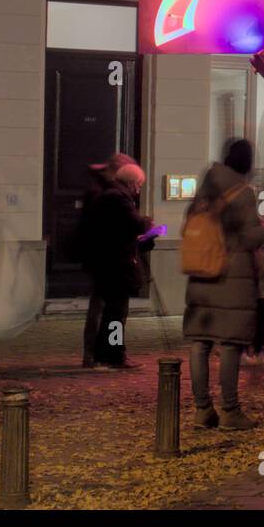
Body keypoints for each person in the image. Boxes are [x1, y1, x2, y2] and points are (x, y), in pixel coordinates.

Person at [185, 138, 264, 430]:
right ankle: (230, 411)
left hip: (202, 274)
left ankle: (202, 409)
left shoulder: (205, 189)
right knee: (230, 345)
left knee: (200, 344)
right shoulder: (242, 193)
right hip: (231, 278)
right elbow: (249, 237)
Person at [83, 160, 152, 369]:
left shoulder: (107, 196)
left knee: (112, 312)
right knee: (116, 314)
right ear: (131, 184)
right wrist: (148, 224)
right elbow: (133, 225)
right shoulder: (119, 200)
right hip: (116, 265)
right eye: (139, 185)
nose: (139, 190)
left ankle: (106, 353)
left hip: (107, 263)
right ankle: (113, 355)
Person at [77, 153, 134, 368]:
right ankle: (111, 353)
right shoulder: (109, 194)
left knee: (103, 308)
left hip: (102, 259)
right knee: (115, 310)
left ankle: (97, 353)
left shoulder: (99, 190)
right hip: (110, 260)